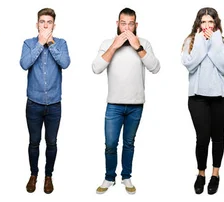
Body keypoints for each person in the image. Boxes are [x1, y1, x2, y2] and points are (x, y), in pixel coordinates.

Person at [91, 7, 160, 195]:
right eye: (123, 24)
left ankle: (126, 176)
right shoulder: (107, 43)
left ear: (136, 25)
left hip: (136, 105)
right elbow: (96, 68)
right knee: (111, 143)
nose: (127, 28)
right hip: (114, 104)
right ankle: (109, 177)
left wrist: (138, 47)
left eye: (131, 24)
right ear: (117, 24)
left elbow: (155, 67)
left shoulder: (143, 43)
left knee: (129, 143)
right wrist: (114, 46)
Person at [181, 7, 224, 195]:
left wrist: (215, 42)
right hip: (197, 97)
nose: (206, 26)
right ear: (198, 24)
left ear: (216, 24)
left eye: (210, 22)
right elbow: (190, 64)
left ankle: (215, 174)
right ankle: (201, 174)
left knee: (217, 136)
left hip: (222, 97)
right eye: (203, 22)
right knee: (202, 138)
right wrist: (203, 44)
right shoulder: (190, 41)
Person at [19, 7, 71, 194]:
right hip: (33, 103)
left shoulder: (62, 43)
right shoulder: (28, 43)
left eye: (49, 22)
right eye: (42, 22)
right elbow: (24, 64)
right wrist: (40, 44)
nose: (45, 25)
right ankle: (34, 175)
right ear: (37, 24)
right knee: (34, 142)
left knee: (51, 142)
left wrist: (51, 44)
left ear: (54, 25)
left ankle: (48, 176)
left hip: (54, 104)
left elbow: (65, 63)